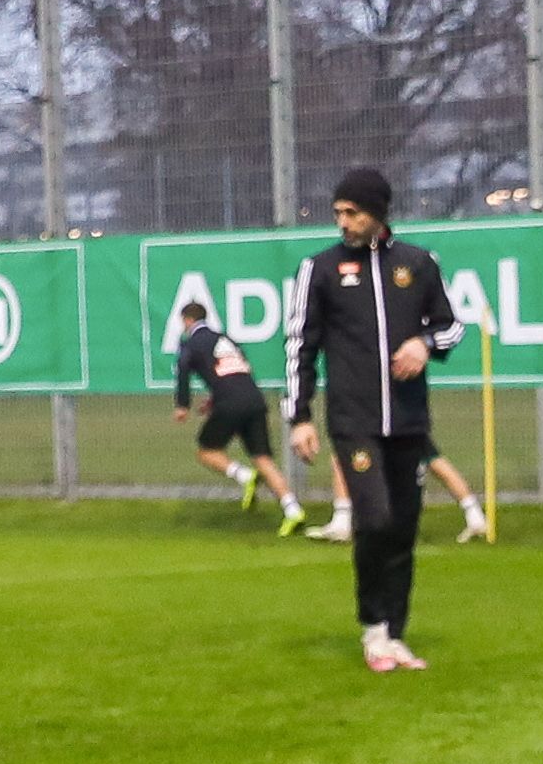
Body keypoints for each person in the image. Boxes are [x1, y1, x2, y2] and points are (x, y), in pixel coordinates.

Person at [284, 166, 463, 672]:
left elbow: (452, 328)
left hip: (407, 421)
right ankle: (372, 628)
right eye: (338, 212)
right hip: (353, 420)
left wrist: (423, 344)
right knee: (375, 518)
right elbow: (300, 345)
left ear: (377, 214)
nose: (342, 221)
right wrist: (299, 417)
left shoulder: (418, 264)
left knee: (404, 528)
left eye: (352, 212)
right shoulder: (318, 269)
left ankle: (396, 635)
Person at [171, 301, 304, 535]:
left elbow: (182, 369)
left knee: (206, 451)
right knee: (263, 458)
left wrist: (183, 406)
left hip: (229, 403)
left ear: (187, 321)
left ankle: (244, 476)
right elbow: (238, 371)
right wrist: (213, 399)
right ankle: (293, 510)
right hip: (254, 400)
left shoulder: (191, 343)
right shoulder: (227, 340)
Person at [306, 437, 487, 546]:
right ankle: (475, 516)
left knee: (345, 455)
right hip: (397, 416)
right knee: (343, 457)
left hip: (391, 418)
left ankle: (343, 522)